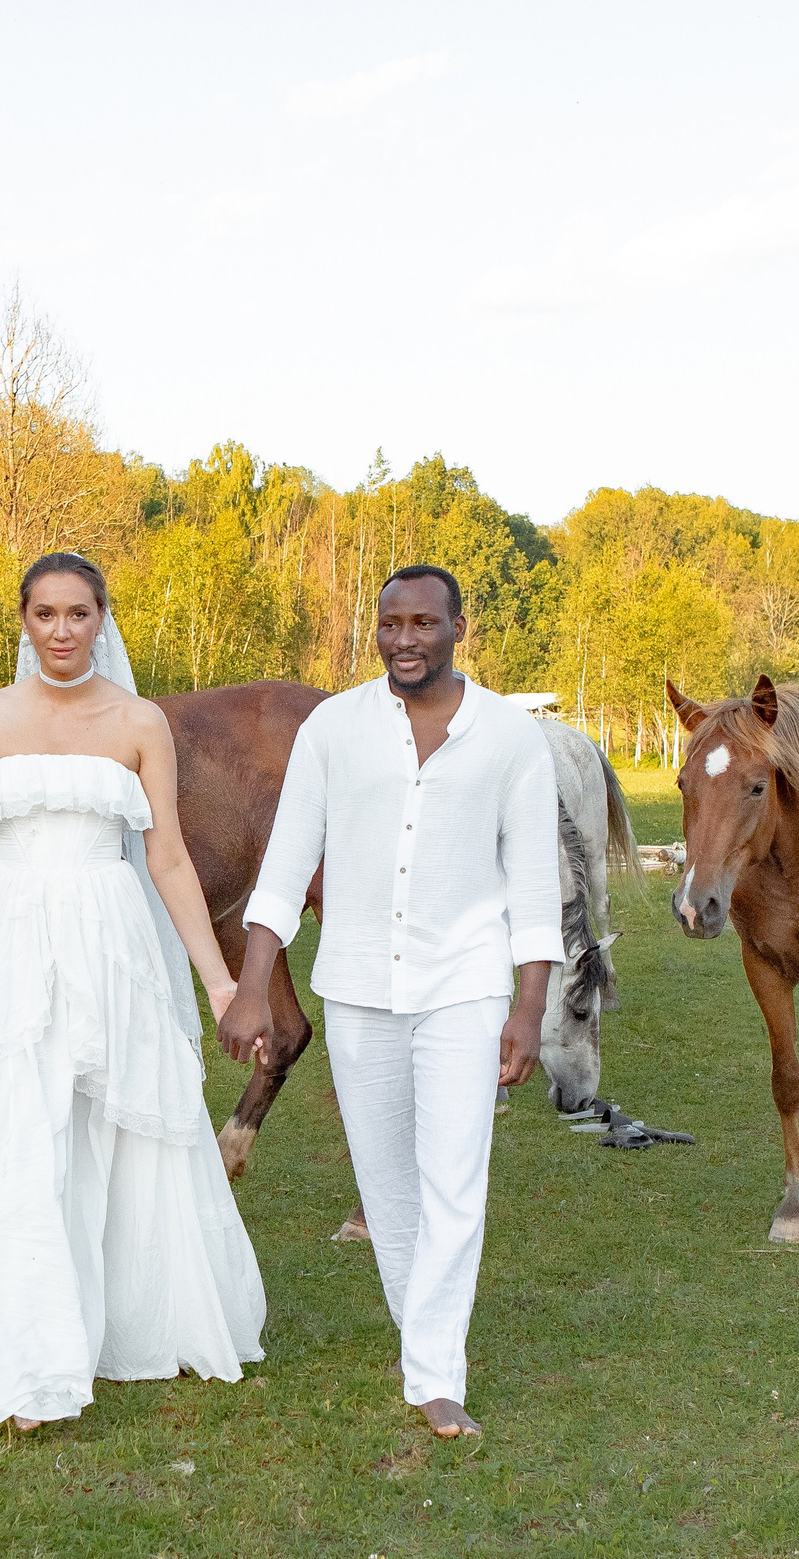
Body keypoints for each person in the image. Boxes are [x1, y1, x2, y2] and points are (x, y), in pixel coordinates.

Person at [0, 551, 267, 1431]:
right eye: (45, 614)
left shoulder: (141, 722)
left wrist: (220, 982)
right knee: (22, 1128)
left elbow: (170, 857)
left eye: (78, 613)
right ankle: (30, 1362)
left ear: (103, 618)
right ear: (24, 621)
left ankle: (121, 1318)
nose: (62, 631)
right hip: (11, 933)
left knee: (107, 1126)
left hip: (110, 937)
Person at [217, 565, 561, 1438]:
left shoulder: (511, 738)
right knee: (386, 1180)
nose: (405, 639)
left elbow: (531, 881)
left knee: (454, 1180)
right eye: (390, 623)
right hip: (361, 986)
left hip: (468, 986)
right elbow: (288, 860)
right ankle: (426, 1337)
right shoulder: (334, 727)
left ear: (457, 628)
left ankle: (438, 1372)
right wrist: (253, 984)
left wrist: (529, 1008)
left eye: (423, 623)